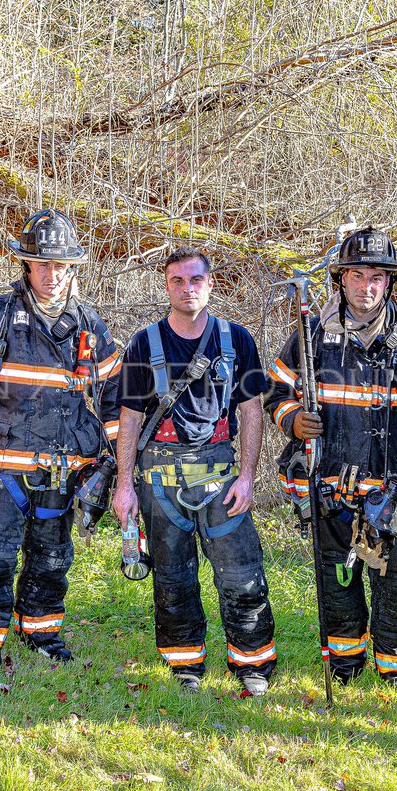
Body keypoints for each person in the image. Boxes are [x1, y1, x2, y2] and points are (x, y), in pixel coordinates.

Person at [266, 227, 397, 696]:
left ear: (388, 284)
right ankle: (345, 662)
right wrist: (293, 422)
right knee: (336, 576)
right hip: (330, 484)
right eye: (357, 275)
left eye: (377, 277)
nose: (366, 286)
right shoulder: (310, 339)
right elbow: (276, 393)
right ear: (340, 279)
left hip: (395, 489)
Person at [0, 209, 120, 683]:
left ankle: (40, 634)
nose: (52, 274)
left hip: (67, 473)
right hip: (3, 473)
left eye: (61, 265)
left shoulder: (91, 328)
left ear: (73, 268)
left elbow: (115, 403)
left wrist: (118, 469)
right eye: (43, 264)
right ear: (25, 264)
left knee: (52, 561)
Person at [112, 246, 276, 696]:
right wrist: (123, 485)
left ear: (210, 283)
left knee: (242, 573)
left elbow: (252, 410)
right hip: (160, 481)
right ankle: (186, 664)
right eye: (178, 281)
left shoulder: (236, 339)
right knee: (172, 576)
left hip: (222, 480)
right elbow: (129, 417)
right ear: (166, 286)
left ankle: (252, 663)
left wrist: (247, 476)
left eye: (196, 280)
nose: (188, 289)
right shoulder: (144, 343)